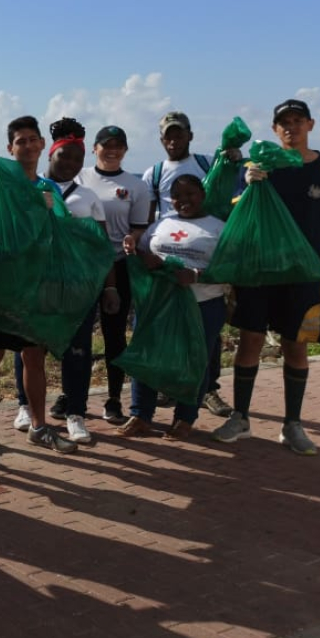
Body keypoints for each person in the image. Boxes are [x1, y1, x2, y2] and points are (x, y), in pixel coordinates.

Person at [211, 99, 320, 455]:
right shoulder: (260, 165)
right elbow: (231, 212)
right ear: (275, 130)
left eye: (297, 121)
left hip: (302, 278)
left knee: (296, 347)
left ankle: (292, 425)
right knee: (250, 343)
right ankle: (241, 418)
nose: (291, 127)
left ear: (311, 124)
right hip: (258, 275)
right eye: (284, 123)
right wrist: (245, 184)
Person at [0, 116, 78, 454]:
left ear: (42, 144)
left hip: (35, 286)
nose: (27, 146)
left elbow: (58, 235)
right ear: (10, 149)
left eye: (33, 139)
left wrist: (51, 213)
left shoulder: (49, 189)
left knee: (34, 356)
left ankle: (39, 426)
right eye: (20, 141)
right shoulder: (1, 184)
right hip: (1, 284)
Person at [115, 174, 227, 439]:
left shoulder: (219, 228)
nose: (184, 200)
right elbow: (141, 253)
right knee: (147, 356)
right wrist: (140, 254)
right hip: (159, 304)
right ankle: (141, 415)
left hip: (202, 304)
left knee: (194, 361)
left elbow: (234, 269)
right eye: (177, 196)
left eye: (190, 194)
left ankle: (185, 419)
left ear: (203, 195)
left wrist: (196, 276)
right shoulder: (161, 224)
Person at [20, 117, 110, 444]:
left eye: (76, 158)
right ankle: (27, 408)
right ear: (50, 155)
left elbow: (101, 246)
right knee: (31, 349)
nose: (70, 163)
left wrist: (108, 286)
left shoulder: (88, 197)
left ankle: (76, 413)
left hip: (76, 288)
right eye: (64, 156)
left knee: (77, 351)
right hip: (38, 284)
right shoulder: (32, 187)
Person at [139, 111, 232, 417]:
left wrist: (234, 159)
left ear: (190, 135)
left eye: (179, 134)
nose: (174, 140)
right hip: (168, 258)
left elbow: (230, 188)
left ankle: (209, 391)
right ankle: (169, 389)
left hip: (203, 247)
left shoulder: (207, 164)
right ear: (161, 139)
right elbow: (148, 215)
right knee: (167, 336)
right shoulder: (153, 173)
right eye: (168, 135)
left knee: (205, 341)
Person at [76, 125, 151, 425]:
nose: (112, 150)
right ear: (94, 148)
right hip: (84, 265)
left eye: (119, 145)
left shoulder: (136, 185)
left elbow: (140, 225)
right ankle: (73, 396)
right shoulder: (80, 177)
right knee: (76, 332)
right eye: (106, 145)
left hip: (119, 267)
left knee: (114, 335)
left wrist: (133, 237)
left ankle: (114, 399)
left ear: (125, 150)